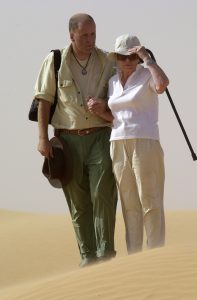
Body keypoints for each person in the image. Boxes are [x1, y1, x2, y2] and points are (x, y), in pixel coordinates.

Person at [34, 13, 117, 267]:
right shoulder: (55, 60)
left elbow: (119, 95)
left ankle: (106, 254)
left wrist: (105, 106)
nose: (90, 39)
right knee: (79, 203)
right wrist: (42, 139)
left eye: (93, 34)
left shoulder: (106, 60)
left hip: (100, 136)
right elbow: (44, 100)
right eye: (84, 35)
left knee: (103, 194)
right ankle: (88, 258)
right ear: (72, 35)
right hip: (67, 142)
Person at [87, 33, 169, 254]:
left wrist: (147, 58)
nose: (128, 61)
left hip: (145, 141)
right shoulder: (113, 82)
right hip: (118, 141)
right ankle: (134, 256)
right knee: (129, 203)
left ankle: (156, 253)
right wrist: (100, 111)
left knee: (149, 199)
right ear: (116, 58)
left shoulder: (147, 74)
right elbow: (117, 118)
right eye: (123, 57)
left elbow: (162, 85)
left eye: (132, 56)